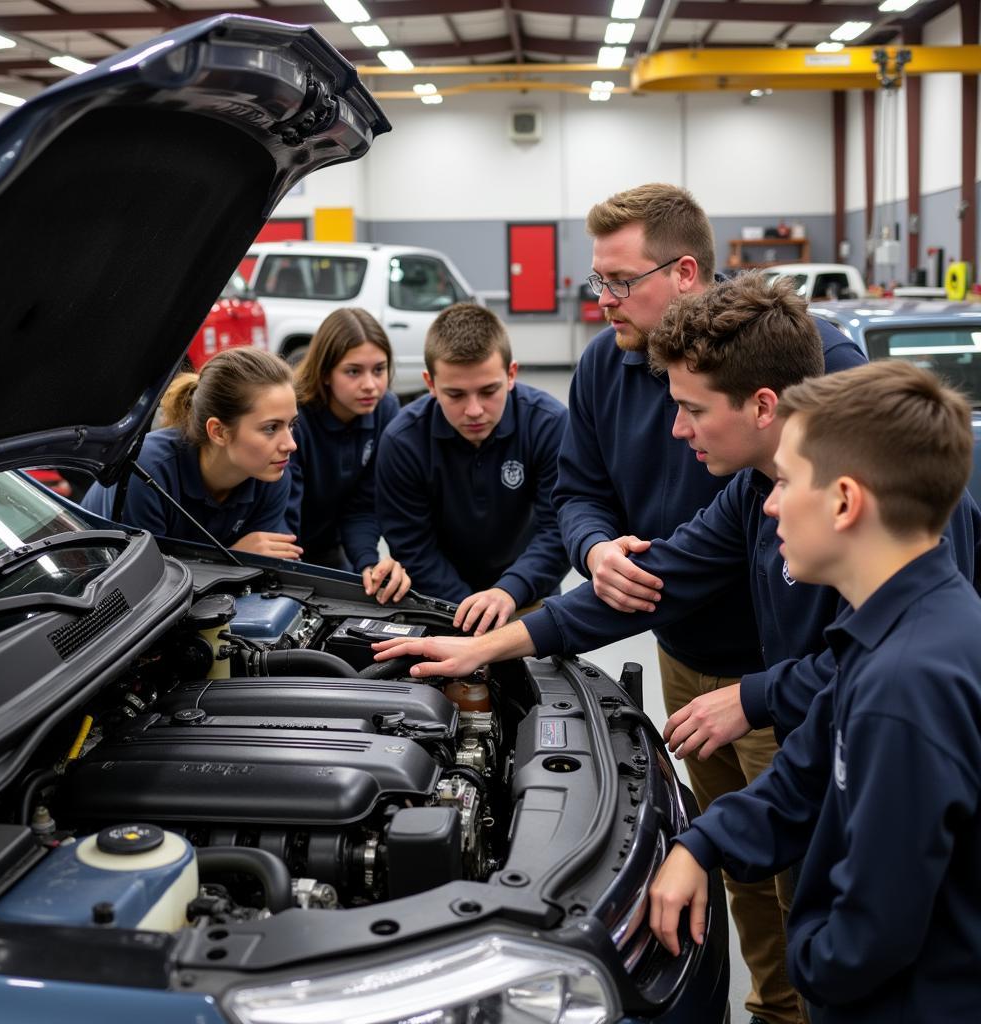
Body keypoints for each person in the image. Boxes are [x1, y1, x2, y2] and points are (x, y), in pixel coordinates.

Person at [372, 276, 980, 1023]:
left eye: (691, 409)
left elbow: (882, 916)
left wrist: (814, 961)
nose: (677, 430)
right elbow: (654, 581)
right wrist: (491, 646)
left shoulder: (905, 682)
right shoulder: (839, 594)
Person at [552, 185, 864, 1024]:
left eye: (619, 282)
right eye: (598, 282)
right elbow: (585, 496)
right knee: (739, 874)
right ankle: (773, 1007)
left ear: (683, 272)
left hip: (784, 671)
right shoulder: (605, 367)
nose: (604, 301)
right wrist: (591, 554)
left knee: (805, 870)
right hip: (685, 656)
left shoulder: (816, 372)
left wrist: (764, 693)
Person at [648, 360, 981, 1023]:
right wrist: (700, 844)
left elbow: (873, 930)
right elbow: (799, 780)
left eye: (787, 481)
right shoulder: (887, 628)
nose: (769, 502)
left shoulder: (905, 687)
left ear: (845, 501)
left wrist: (807, 957)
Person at [375, 302, 569, 635]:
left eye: (488, 391)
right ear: (430, 383)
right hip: (440, 604)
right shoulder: (402, 441)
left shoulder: (549, 425)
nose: (475, 410)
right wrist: (469, 612)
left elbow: (560, 530)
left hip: (528, 597)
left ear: (511, 374)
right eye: (455, 394)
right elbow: (413, 547)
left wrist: (510, 590)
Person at [81, 347, 301, 559]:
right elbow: (143, 580)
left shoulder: (273, 472)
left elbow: (267, 573)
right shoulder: (146, 470)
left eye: (291, 424)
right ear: (219, 432)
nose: (290, 445)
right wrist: (234, 559)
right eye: (271, 428)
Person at [288, 308, 411, 604]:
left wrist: (368, 564)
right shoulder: (293, 416)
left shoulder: (385, 409)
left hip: (331, 548)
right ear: (326, 372)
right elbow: (281, 511)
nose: (370, 385)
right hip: (283, 549)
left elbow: (364, 505)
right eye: (353, 371)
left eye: (379, 370)